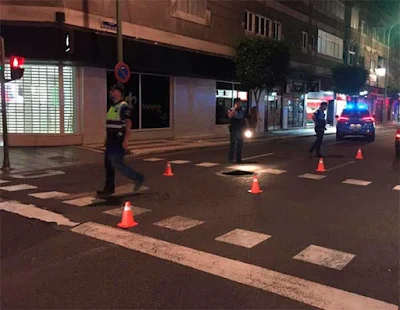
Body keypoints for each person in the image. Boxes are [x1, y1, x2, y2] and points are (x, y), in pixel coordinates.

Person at [97, 84, 144, 196]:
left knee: (116, 164)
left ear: (119, 93)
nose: (111, 92)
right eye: (111, 90)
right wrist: (105, 140)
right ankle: (109, 188)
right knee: (109, 164)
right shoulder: (112, 106)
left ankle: (138, 178)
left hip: (118, 139)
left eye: (114, 91)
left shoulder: (123, 106)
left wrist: (126, 140)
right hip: (111, 139)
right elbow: (109, 125)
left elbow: (128, 124)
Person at [228, 98, 246, 163]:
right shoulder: (232, 109)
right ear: (235, 103)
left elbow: (244, 119)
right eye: (238, 102)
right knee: (232, 144)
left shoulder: (242, 110)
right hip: (234, 129)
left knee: (240, 144)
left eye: (240, 102)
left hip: (241, 129)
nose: (239, 104)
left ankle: (238, 158)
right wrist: (234, 109)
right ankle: (231, 158)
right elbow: (229, 116)